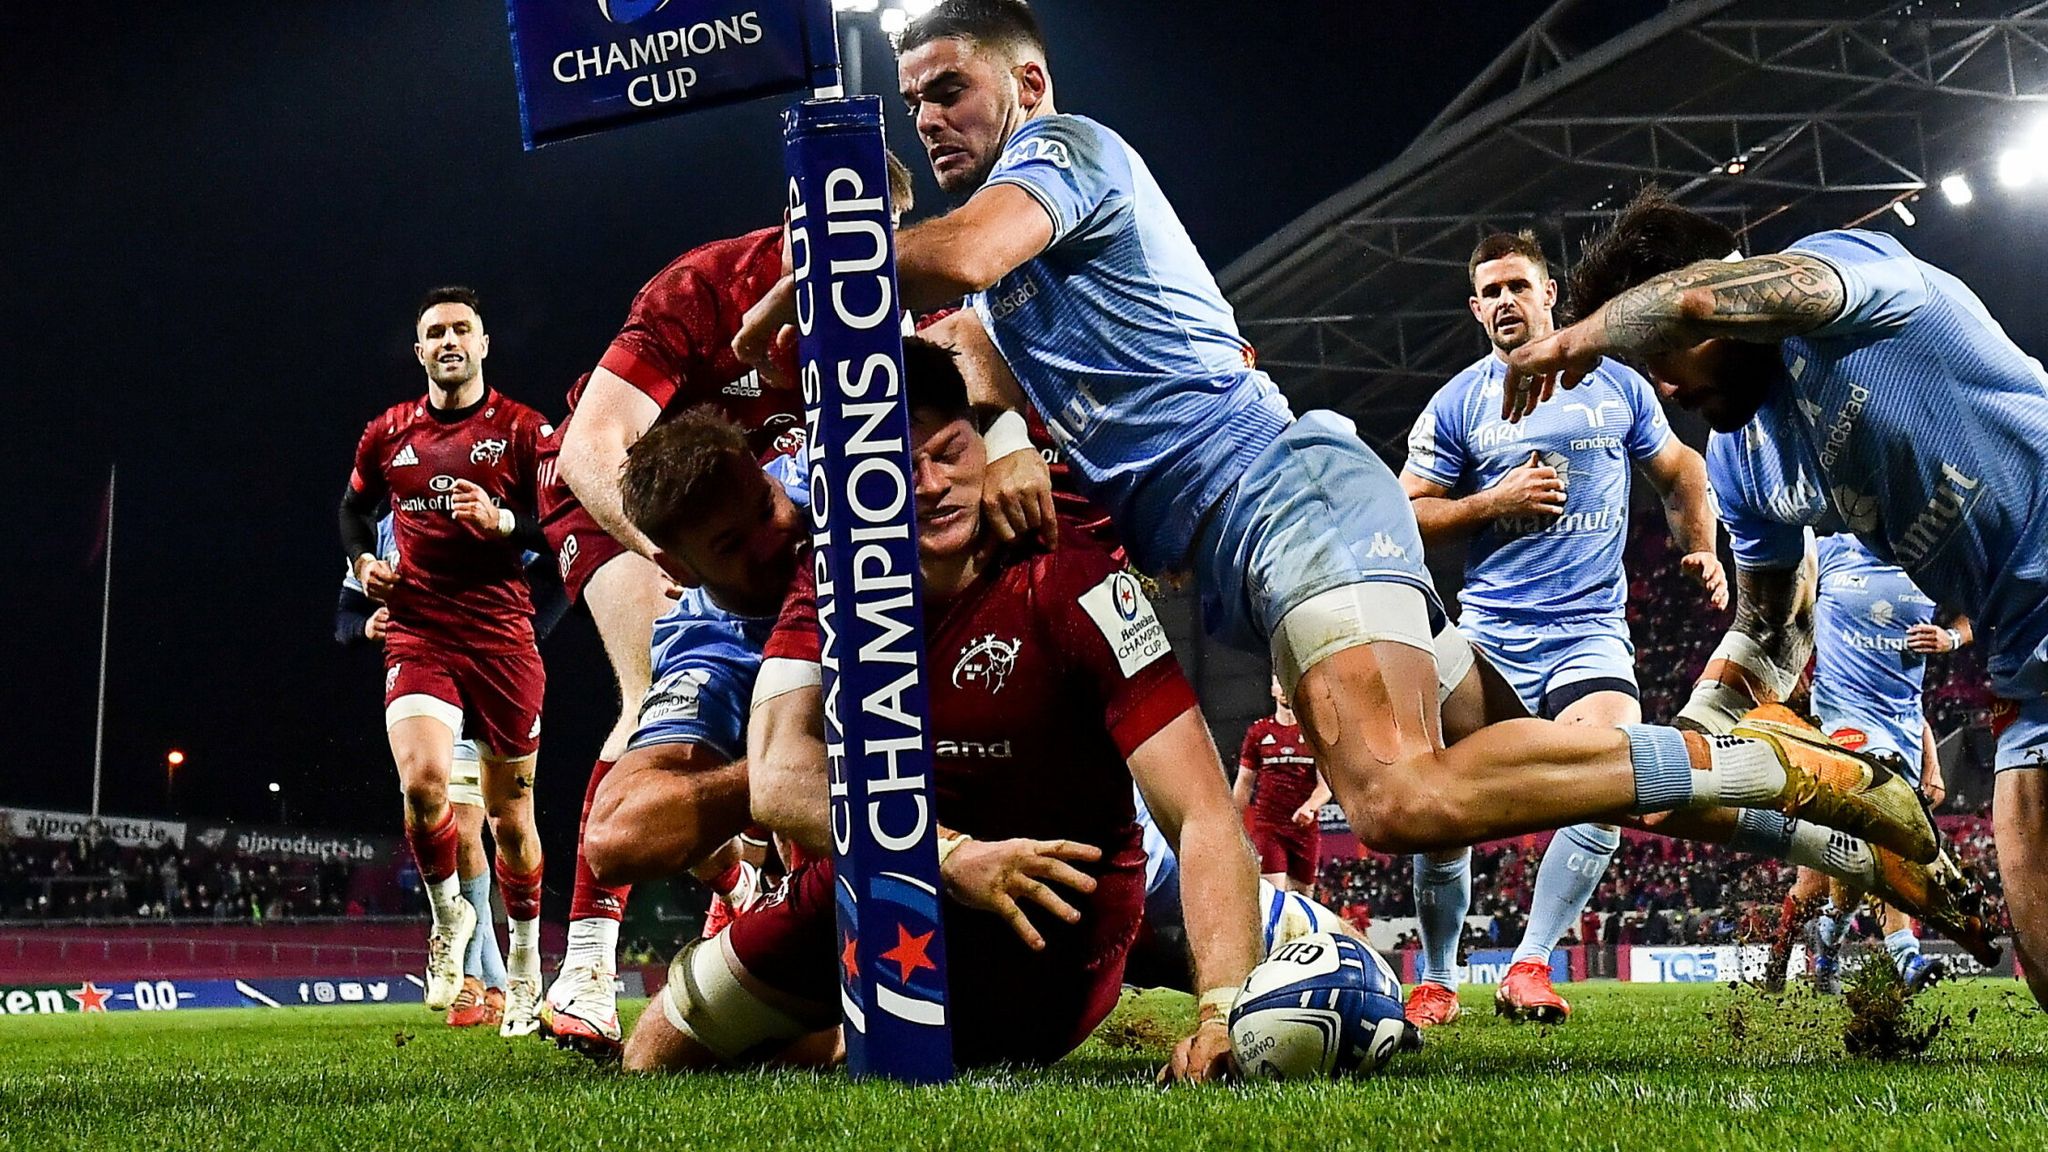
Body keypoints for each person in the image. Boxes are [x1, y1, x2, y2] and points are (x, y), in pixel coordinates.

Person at [734, 1, 1939, 930]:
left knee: (1400, 801)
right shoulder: (1020, 290)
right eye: (912, 101)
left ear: (1027, 84)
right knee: (1480, 767)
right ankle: (1822, 815)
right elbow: (968, 347)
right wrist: (975, 425)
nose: (927, 116)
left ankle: (1769, 758)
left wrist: (832, 266)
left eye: (949, 88)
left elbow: (949, 262)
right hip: (1253, 555)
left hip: (1287, 500)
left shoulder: (1065, 155)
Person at [625, 340, 1262, 1082]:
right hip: (881, 891)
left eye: (952, 451)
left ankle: (1289, 948)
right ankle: (829, 1032)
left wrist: (1220, 1012)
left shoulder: (1070, 578)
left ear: (983, 441)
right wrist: (949, 855)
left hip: (1052, 922)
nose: (930, 485)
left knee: (1285, 958)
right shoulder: (829, 584)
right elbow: (777, 782)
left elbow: (1204, 809)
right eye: (899, 468)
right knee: (658, 1053)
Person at [1501, 184, 2041, 1006]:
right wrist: (1682, 749)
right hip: (2020, 656)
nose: (1667, 392)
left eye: (1662, 358)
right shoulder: (1739, 457)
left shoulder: (1845, 282)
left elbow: (1695, 296)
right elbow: (1773, 625)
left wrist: (1580, 337)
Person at [539, 159, 916, 1049]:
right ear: (790, 221)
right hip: (645, 509)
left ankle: (761, 895)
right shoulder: (703, 286)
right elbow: (598, 445)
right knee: (651, 697)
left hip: (775, 516)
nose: (859, 258)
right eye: (828, 236)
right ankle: (589, 965)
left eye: (879, 238)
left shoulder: (907, 303)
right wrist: (665, 561)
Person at [1396, 230, 1725, 1026]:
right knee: (1444, 808)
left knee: (1613, 783)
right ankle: (1437, 978)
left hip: (1588, 634)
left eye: (1519, 286)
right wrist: (1488, 504)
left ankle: (1530, 966)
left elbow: (1681, 469)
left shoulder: (1615, 384)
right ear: (1476, 310)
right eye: (1491, 292)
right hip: (1490, 643)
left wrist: (1705, 548)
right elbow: (1404, 512)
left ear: (1551, 294)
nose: (1506, 302)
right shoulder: (1459, 402)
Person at [338, 287, 551, 1035]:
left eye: (463, 328)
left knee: (509, 820)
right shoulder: (388, 433)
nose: (450, 340)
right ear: (421, 351)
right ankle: (448, 921)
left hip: (502, 638)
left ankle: (524, 963)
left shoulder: (524, 431)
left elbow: (563, 533)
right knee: (424, 783)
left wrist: (504, 523)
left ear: (484, 343)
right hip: (421, 631)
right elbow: (351, 510)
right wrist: (364, 563)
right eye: (435, 332)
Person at [335, 513, 571, 1027]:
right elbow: (345, 614)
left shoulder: (482, 501)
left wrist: (524, 632)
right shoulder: (382, 530)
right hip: (431, 687)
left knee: (502, 824)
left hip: (495, 673)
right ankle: (483, 983)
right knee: (458, 828)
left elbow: (558, 563)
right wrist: (364, 625)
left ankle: (506, 975)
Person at [1765, 535, 1966, 993]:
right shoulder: (1828, 554)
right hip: (1836, 733)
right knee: (1869, 840)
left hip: (1898, 735)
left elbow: (1983, 606)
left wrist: (1952, 637)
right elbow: (1780, 605)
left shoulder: (1931, 557)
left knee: (1836, 878)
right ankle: (1902, 955)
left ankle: (1827, 946)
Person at [1233, 677, 1331, 896]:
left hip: (1304, 830)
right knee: (1274, 897)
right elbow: (1244, 784)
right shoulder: (1258, 732)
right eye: (1279, 682)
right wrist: (1231, 824)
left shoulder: (1314, 733)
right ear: (1272, 689)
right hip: (1269, 827)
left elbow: (1326, 786)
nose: (1285, 687)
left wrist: (1310, 806)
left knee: (1305, 900)